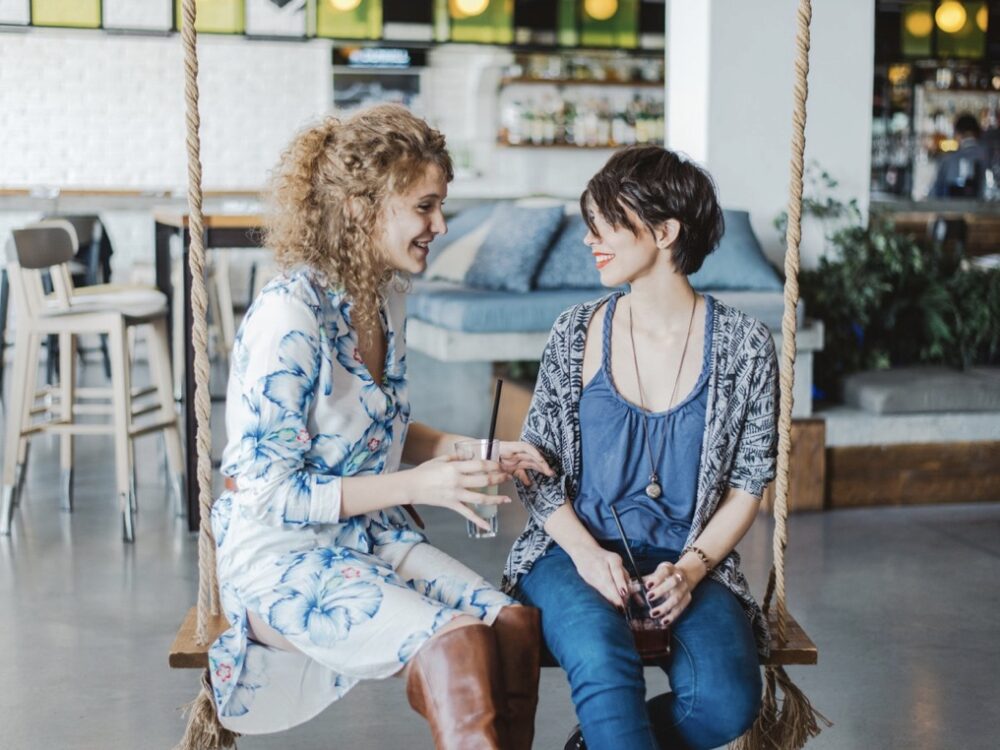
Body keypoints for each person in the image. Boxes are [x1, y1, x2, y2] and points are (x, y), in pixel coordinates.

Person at [209, 104, 551, 750]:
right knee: (459, 644)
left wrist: (477, 451)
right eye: (425, 207)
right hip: (282, 554)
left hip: (365, 538)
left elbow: (383, 428)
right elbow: (270, 493)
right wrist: (419, 486)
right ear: (366, 208)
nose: (441, 225)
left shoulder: (387, 295)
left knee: (512, 626)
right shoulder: (289, 318)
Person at [503, 145, 778, 750]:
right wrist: (582, 552)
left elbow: (747, 488)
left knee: (727, 699)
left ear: (664, 231)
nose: (589, 239)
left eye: (604, 224)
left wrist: (688, 570)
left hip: (685, 562)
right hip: (570, 551)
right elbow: (537, 469)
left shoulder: (746, 346)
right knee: (605, 663)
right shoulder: (575, 331)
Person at [931, 113, 988, 198]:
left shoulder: (948, 160)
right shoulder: (990, 155)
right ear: (978, 133)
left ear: (957, 134)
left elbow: (934, 195)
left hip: (953, 209)